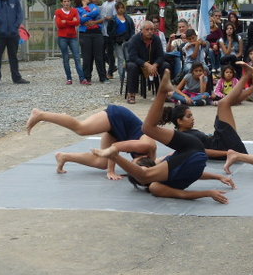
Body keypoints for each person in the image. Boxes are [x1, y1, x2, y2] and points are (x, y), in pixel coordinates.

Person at [94, 69, 236, 203]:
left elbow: (149, 175)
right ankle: (162, 91)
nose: (136, 165)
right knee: (148, 129)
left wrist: (212, 185)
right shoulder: (156, 185)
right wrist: (213, 184)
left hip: (193, 150)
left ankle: (162, 91)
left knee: (147, 128)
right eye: (137, 168)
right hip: (194, 152)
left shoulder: (159, 172)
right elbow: (188, 183)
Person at [26, 105, 156, 180]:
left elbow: (160, 164)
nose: (130, 165)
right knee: (81, 128)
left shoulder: (151, 162)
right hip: (118, 117)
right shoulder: (145, 146)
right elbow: (115, 147)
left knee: (102, 163)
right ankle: (41, 114)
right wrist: (111, 171)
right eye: (133, 165)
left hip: (120, 133)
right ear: (144, 157)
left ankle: (64, 157)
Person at [166, 61, 253, 159]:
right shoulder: (184, 137)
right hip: (224, 147)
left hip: (221, 141)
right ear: (179, 121)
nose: (192, 118)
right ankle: (247, 76)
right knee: (223, 103)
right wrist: (230, 153)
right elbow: (205, 151)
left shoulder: (185, 133)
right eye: (188, 116)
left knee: (226, 104)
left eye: (191, 115)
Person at [125, 20, 168, 104]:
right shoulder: (134, 39)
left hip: (153, 65)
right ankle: (132, 94)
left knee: (166, 65)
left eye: (152, 29)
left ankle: (164, 94)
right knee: (131, 66)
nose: (150, 32)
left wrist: (155, 65)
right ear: (142, 30)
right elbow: (133, 57)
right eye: (147, 29)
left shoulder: (156, 39)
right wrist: (146, 65)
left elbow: (161, 56)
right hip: (139, 65)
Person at [75, 0, 106, 84]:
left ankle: (103, 77)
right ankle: (87, 77)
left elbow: (96, 12)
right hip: (85, 34)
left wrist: (86, 15)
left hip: (97, 33)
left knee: (99, 56)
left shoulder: (93, 6)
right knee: (87, 57)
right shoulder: (77, 9)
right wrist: (89, 16)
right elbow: (80, 20)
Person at [54, 0, 85, 85]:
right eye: (64, 1)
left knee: (77, 57)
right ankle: (69, 78)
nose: (66, 3)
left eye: (68, 1)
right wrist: (71, 21)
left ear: (70, 2)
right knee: (66, 58)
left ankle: (82, 78)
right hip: (62, 37)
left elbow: (77, 22)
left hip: (73, 37)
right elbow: (59, 24)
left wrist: (65, 21)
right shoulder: (58, 12)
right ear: (61, 3)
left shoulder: (74, 11)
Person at [106, 1, 135, 80]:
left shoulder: (128, 18)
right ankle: (122, 76)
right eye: (119, 8)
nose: (121, 9)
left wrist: (131, 38)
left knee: (128, 58)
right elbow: (109, 31)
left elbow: (132, 29)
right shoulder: (113, 19)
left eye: (122, 8)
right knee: (120, 58)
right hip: (117, 42)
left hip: (127, 41)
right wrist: (114, 37)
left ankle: (129, 75)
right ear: (116, 9)